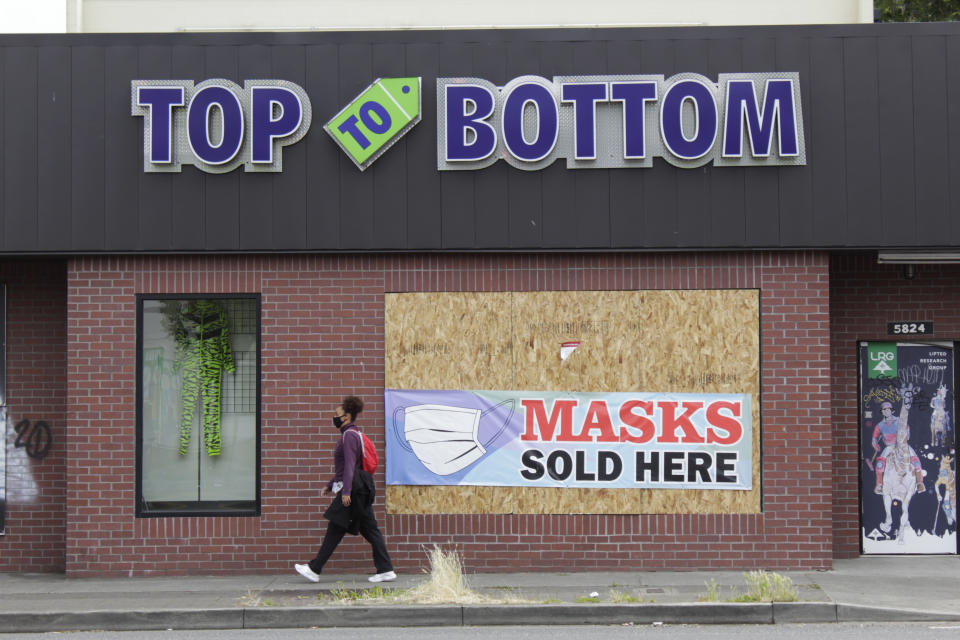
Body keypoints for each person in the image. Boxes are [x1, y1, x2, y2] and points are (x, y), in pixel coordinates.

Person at [295, 396, 396, 583]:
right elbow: (346, 467)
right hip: (359, 488)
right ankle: (385, 569)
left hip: (354, 490)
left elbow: (350, 465)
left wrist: (346, 491)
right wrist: (330, 484)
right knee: (370, 530)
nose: (334, 417)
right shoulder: (351, 434)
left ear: (347, 417)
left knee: (336, 528)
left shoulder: (349, 436)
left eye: (337, 414)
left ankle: (314, 568)